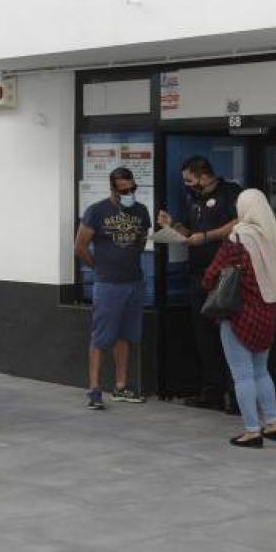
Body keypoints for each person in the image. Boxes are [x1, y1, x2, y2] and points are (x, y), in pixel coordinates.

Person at [202, 189, 276, 447]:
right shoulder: (274, 238)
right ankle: (272, 425)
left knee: (242, 375)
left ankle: (252, 431)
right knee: (262, 371)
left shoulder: (238, 238)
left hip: (239, 315)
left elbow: (211, 275)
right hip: (267, 313)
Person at [156, 156, 242, 411]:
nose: (186, 185)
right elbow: (188, 233)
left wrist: (206, 237)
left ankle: (235, 394)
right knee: (204, 336)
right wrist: (171, 225)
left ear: (204, 176)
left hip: (226, 275)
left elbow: (239, 222)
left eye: (189, 180)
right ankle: (212, 391)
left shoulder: (230, 192)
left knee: (230, 335)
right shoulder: (193, 198)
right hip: (198, 275)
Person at [74, 167, 152, 410]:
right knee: (101, 337)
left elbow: (141, 241)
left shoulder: (141, 211)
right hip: (108, 284)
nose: (129, 194)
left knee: (126, 335)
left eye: (132, 189)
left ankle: (121, 386)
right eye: (123, 191)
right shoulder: (97, 211)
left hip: (133, 281)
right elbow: (80, 246)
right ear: (113, 190)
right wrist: (98, 267)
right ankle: (94, 390)